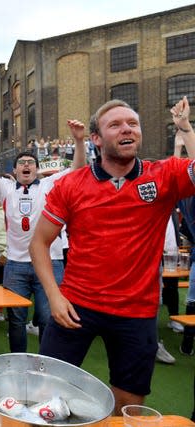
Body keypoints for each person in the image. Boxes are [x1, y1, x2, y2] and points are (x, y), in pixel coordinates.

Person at [29, 96, 195, 413]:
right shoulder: (71, 184)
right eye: (115, 124)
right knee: (44, 393)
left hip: (137, 311)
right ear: (96, 138)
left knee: (129, 404)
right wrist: (54, 296)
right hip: (76, 305)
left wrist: (185, 128)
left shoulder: (163, 175)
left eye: (132, 123)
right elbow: (39, 242)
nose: (126, 129)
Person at [0, 115, 86, 353]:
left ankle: (46, 363)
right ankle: (18, 363)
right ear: (14, 169)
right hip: (16, 265)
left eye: (30, 162)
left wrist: (79, 141)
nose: (26, 165)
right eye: (21, 162)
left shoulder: (50, 184)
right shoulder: (5, 188)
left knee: (48, 319)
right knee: (16, 321)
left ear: (37, 168)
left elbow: (77, 168)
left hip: (50, 262)